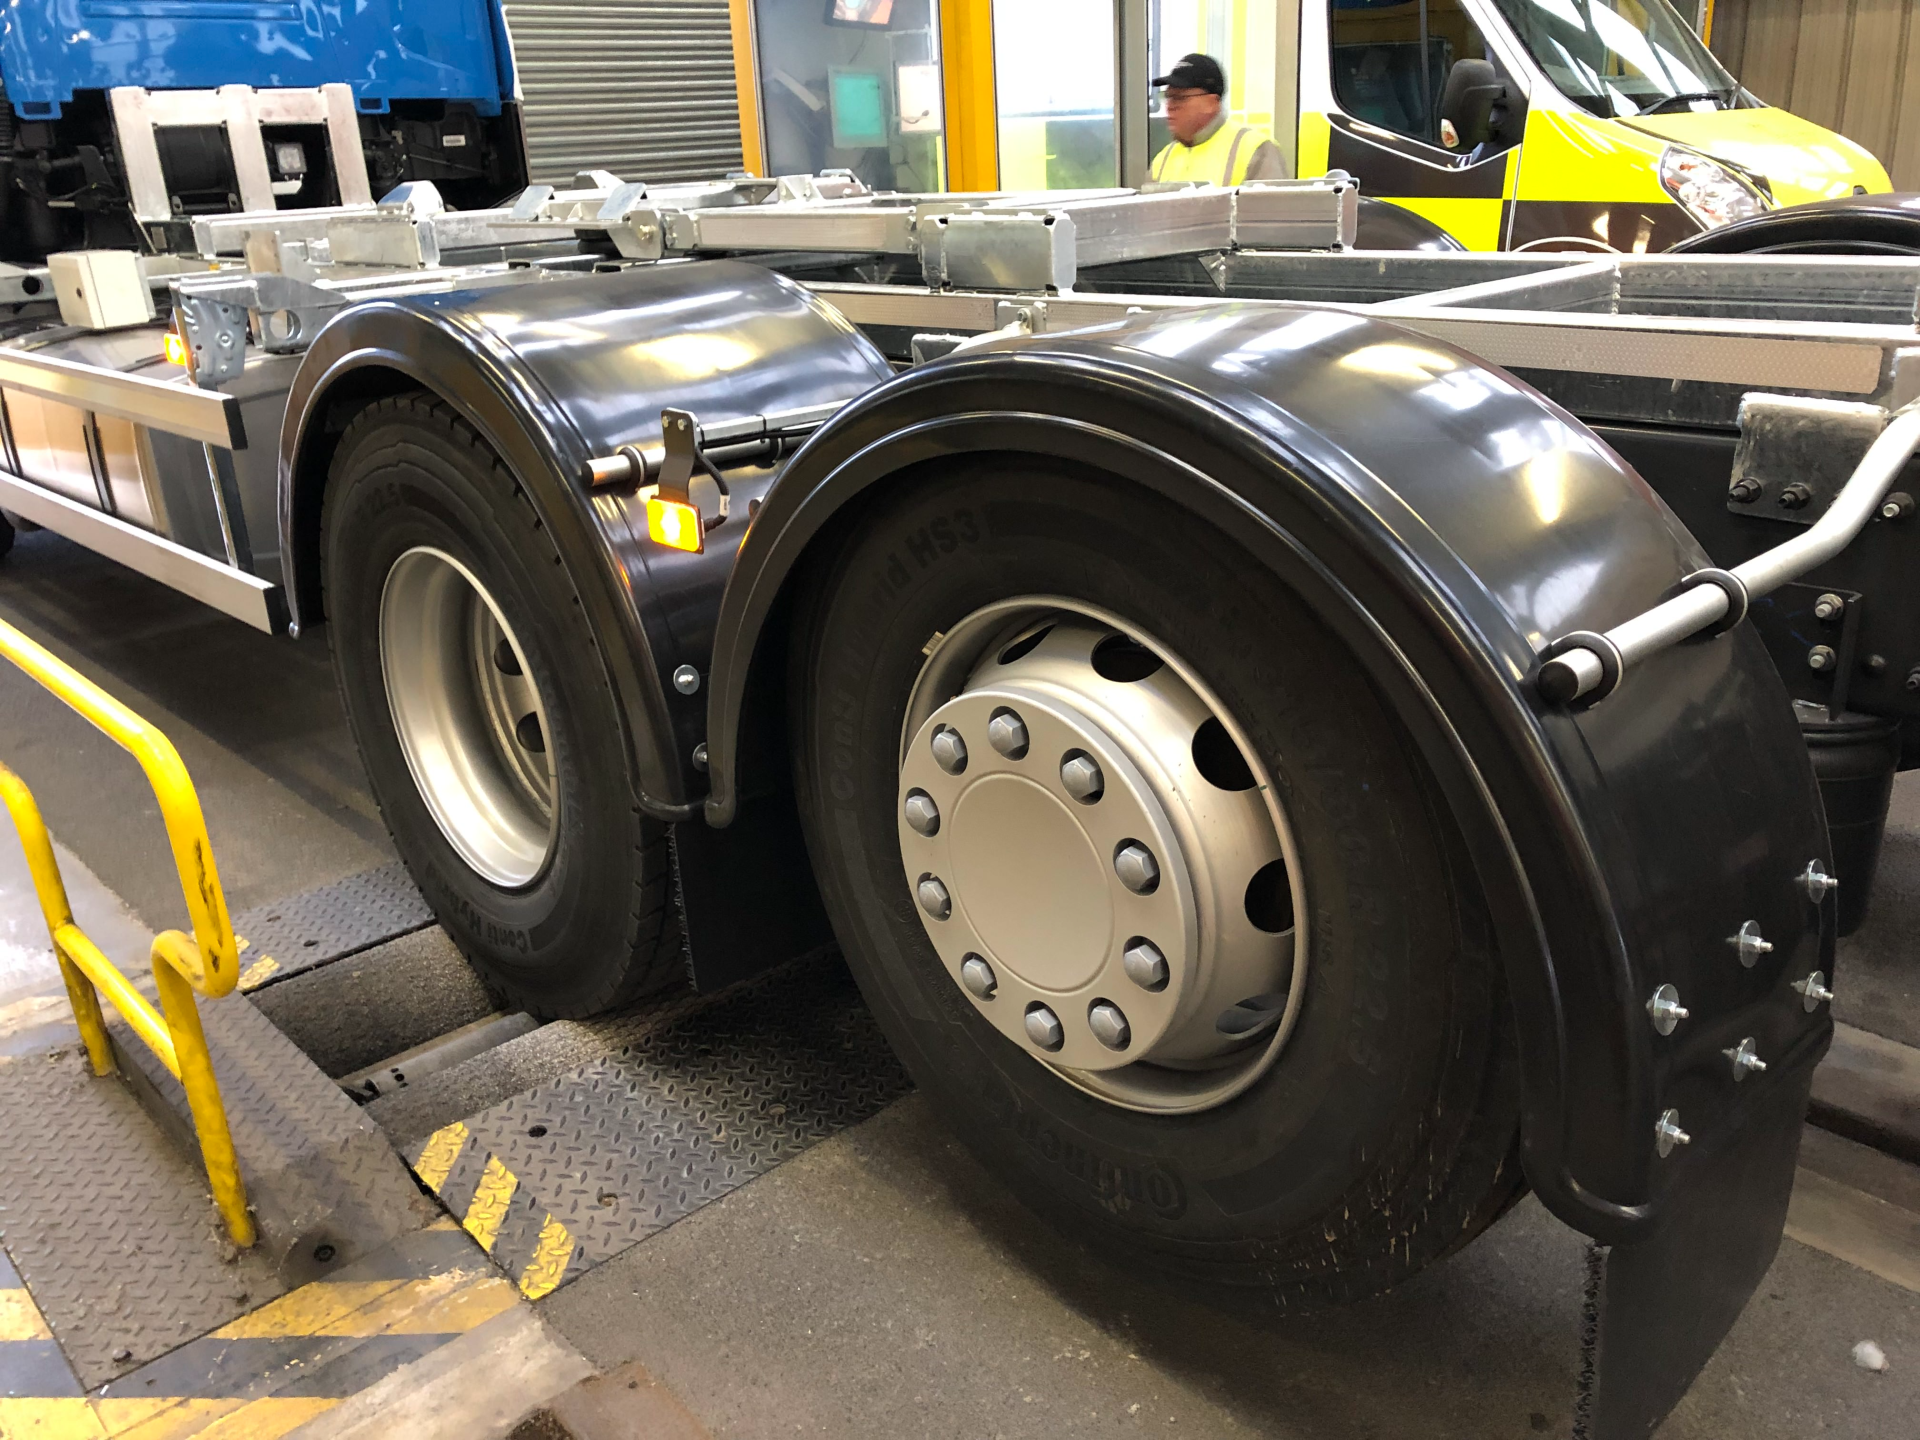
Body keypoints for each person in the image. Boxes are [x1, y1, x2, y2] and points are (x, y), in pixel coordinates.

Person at [1150, 53, 1288, 186]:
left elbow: (1273, 209)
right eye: (1167, 97)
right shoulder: (1162, 160)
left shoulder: (1255, 150)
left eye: (1179, 98)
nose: (1169, 106)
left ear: (1211, 103)